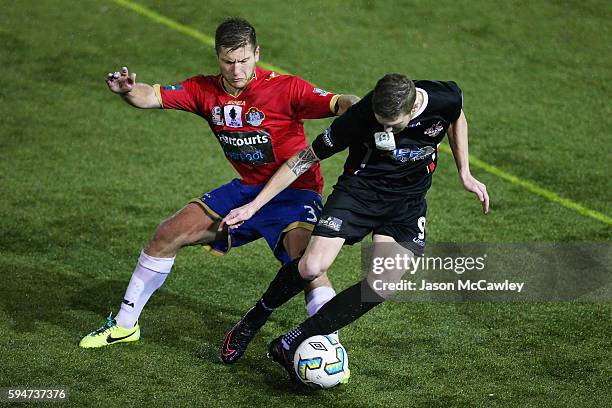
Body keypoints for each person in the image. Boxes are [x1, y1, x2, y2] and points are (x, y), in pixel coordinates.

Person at [79, 17, 359, 362]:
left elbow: (337, 102)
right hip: (246, 191)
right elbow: (150, 95)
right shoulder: (204, 89)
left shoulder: (285, 88)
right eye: (229, 61)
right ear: (218, 58)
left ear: (257, 54)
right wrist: (127, 91)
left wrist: (356, 106)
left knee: (308, 267)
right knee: (167, 234)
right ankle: (124, 325)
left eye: (244, 60)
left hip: (294, 193)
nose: (237, 70)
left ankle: (331, 349)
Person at [221, 73, 489, 379]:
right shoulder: (362, 115)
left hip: (406, 204)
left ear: (413, 107)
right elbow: (304, 159)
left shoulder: (445, 96)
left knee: (384, 283)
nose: (385, 130)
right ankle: (254, 319)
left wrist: (465, 172)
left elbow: (456, 116)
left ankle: (291, 341)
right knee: (311, 266)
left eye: (393, 124)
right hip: (359, 195)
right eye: (381, 122)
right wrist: (254, 206)